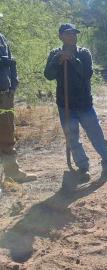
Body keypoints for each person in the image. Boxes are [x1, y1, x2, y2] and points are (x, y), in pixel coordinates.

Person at [44, 23, 107, 181]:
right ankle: (83, 168)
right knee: (73, 138)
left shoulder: (84, 53)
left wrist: (72, 59)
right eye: (68, 33)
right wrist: (58, 60)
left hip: (84, 104)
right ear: (60, 36)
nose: (72, 36)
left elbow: (87, 74)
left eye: (74, 33)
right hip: (65, 105)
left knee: (97, 135)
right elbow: (48, 75)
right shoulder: (55, 53)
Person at [0, 13, 37, 183]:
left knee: (7, 134)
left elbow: (12, 63)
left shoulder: (2, 38)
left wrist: (14, 84)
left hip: (5, 95)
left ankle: (12, 172)